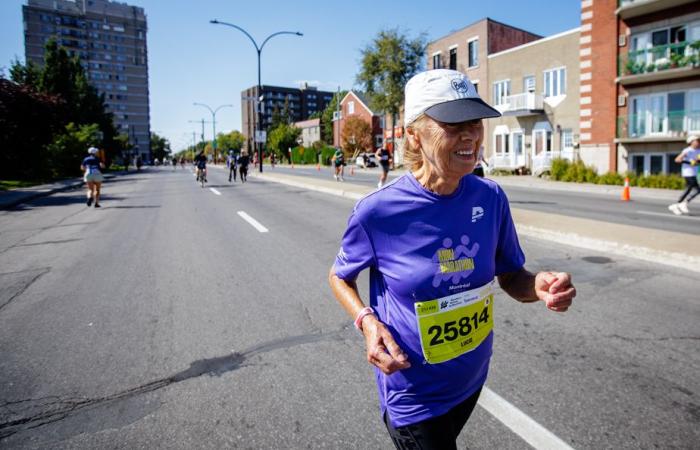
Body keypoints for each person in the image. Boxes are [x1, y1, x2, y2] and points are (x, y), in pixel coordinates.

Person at [328, 69, 576, 450]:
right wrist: (367, 322)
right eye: (452, 123)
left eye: (475, 122)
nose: (470, 136)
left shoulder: (490, 198)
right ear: (414, 133)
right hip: (413, 395)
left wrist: (538, 287)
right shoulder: (377, 212)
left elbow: (511, 275)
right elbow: (339, 276)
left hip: (471, 380)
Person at [668, 135, 700, 215]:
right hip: (687, 172)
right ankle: (681, 203)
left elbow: (697, 161)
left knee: (695, 189)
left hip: (694, 173)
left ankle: (677, 204)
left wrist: (697, 162)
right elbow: (677, 160)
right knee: (691, 187)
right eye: (697, 141)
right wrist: (690, 163)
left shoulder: (699, 151)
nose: (698, 142)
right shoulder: (687, 150)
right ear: (691, 142)